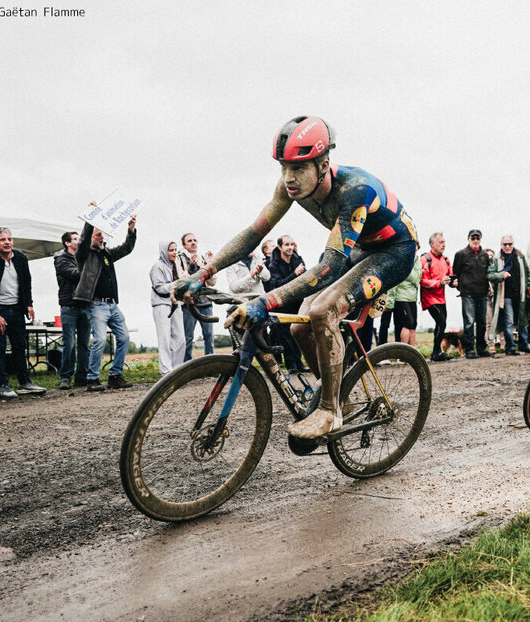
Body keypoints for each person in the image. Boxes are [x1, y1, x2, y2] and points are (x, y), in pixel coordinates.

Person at [173, 116, 418, 439]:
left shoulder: (355, 191)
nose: (289, 178)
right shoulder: (290, 186)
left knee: (322, 310)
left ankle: (330, 412)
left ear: (323, 164)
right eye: (283, 167)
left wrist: (266, 301)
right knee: (299, 326)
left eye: (298, 168)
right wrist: (203, 273)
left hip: (394, 251)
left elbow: (328, 267)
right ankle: (337, 395)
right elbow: (253, 233)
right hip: (358, 247)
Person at [0, 227, 46, 399]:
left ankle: (25, 382)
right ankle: (2, 385)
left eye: (9, 239)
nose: (7, 242)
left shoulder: (20, 257)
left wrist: (28, 304)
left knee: (19, 346)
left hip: (16, 308)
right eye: (2, 239)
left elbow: (26, 283)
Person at [73, 213, 137, 392]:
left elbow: (126, 248)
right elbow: (84, 239)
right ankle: (92, 378)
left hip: (112, 305)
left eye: (102, 235)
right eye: (98, 234)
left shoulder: (107, 253)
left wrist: (131, 229)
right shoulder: (84, 254)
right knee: (100, 339)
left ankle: (115, 376)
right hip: (96, 305)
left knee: (124, 337)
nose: (102, 237)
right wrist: (90, 219)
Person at [53, 231, 91, 389]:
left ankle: (82, 376)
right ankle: (65, 377)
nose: (79, 240)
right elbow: (76, 275)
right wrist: (91, 269)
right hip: (69, 306)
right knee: (69, 343)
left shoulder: (83, 257)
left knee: (84, 343)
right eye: (75, 239)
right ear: (67, 243)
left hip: (85, 305)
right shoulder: (61, 259)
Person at [267, 234, 309, 373]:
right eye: (287, 245)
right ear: (280, 247)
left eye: (292, 244)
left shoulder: (298, 259)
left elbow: (306, 277)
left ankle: (299, 363)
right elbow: (276, 285)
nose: (290, 247)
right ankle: (291, 365)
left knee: (297, 332)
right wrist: (294, 275)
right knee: (285, 335)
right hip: (282, 303)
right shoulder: (273, 264)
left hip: (297, 301)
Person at [487, 235, 530, 355]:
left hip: (520, 293)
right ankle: (510, 347)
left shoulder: (520, 256)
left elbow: (527, 274)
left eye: (510, 244)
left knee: (523, 320)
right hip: (505, 295)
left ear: (513, 244)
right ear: (501, 245)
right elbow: (490, 274)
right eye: (505, 244)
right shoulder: (497, 258)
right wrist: (501, 275)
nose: (507, 247)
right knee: (509, 321)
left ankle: (524, 345)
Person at [453, 229, 491, 358]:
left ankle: (481, 348)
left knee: (481, 322)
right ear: (468, 239)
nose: (475, 240)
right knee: (469, 322)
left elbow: (488, 273)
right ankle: (469, 349)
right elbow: (455, 273)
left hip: (482, 293)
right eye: (473, 238)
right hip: (467, 293)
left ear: (480, 239)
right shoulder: (461, 254)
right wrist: (460, 288)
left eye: (477, 238)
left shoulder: (485, 255)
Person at [177, 232, 216, 361]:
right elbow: (183, 280)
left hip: (205, 302)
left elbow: (212, 282)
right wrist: (192, 266)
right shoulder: (180, 259)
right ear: (184, 245)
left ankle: (209, 364)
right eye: (189, 241)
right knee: (188, 337)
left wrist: (210, 264)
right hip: (189, 303)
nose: (193, 242)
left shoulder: (203, 258)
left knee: (209, 335)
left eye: (195, 240)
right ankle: (187, 367)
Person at [150, 241, 185, 375]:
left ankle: (176, 370)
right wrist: (177, 284)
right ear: (164, 251)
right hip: (161, 305)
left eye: (175, 250)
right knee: (164, 339)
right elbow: (159, 287)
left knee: (180, 339)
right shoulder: (157, 266)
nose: (174, 252)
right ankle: (166, 372)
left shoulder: (174, 266)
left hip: (175, 304)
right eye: (171, 250)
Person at [420, 232, 454, 362]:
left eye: (444, 242)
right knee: (441, 322)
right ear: (432, 244)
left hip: (441, 298)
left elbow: (450, 278)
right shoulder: (425, 259)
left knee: (441, 324)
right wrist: (439, 283)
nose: (443, 245)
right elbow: (423, 281)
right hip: (429, 298)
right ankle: (435, 352)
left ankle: (437, 352)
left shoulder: (446, 260)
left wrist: (453, 283)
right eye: (440, 242)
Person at [390, 249, 421, 347]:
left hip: (412, 297)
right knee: (408, 323)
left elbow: (418, 279)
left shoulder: (417, 260)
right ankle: (402, 354)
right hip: (401, 297)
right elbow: (394, 281)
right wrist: (390, 302)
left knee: (413, 325)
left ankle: (412, 353)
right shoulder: (402, 259)